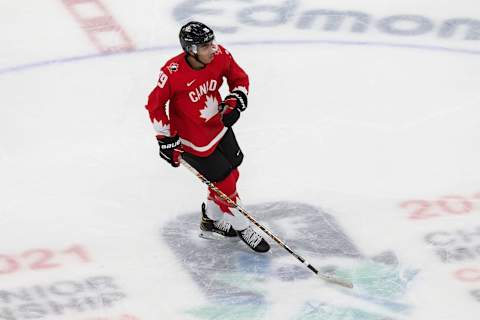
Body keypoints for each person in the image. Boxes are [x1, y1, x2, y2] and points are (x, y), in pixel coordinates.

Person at [145, 21, 270, 253]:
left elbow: (239, 79)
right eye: (205, 46)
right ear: (191, 50)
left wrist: (235, 101)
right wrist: (165, 139)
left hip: (218, 126)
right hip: (193, 141)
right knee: (225, 184)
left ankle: (210, 221)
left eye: (212, 43)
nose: (213, 49)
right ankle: (243, 227)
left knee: (233, 173)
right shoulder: (172, 72)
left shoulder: (220, 55)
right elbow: (155, 105)